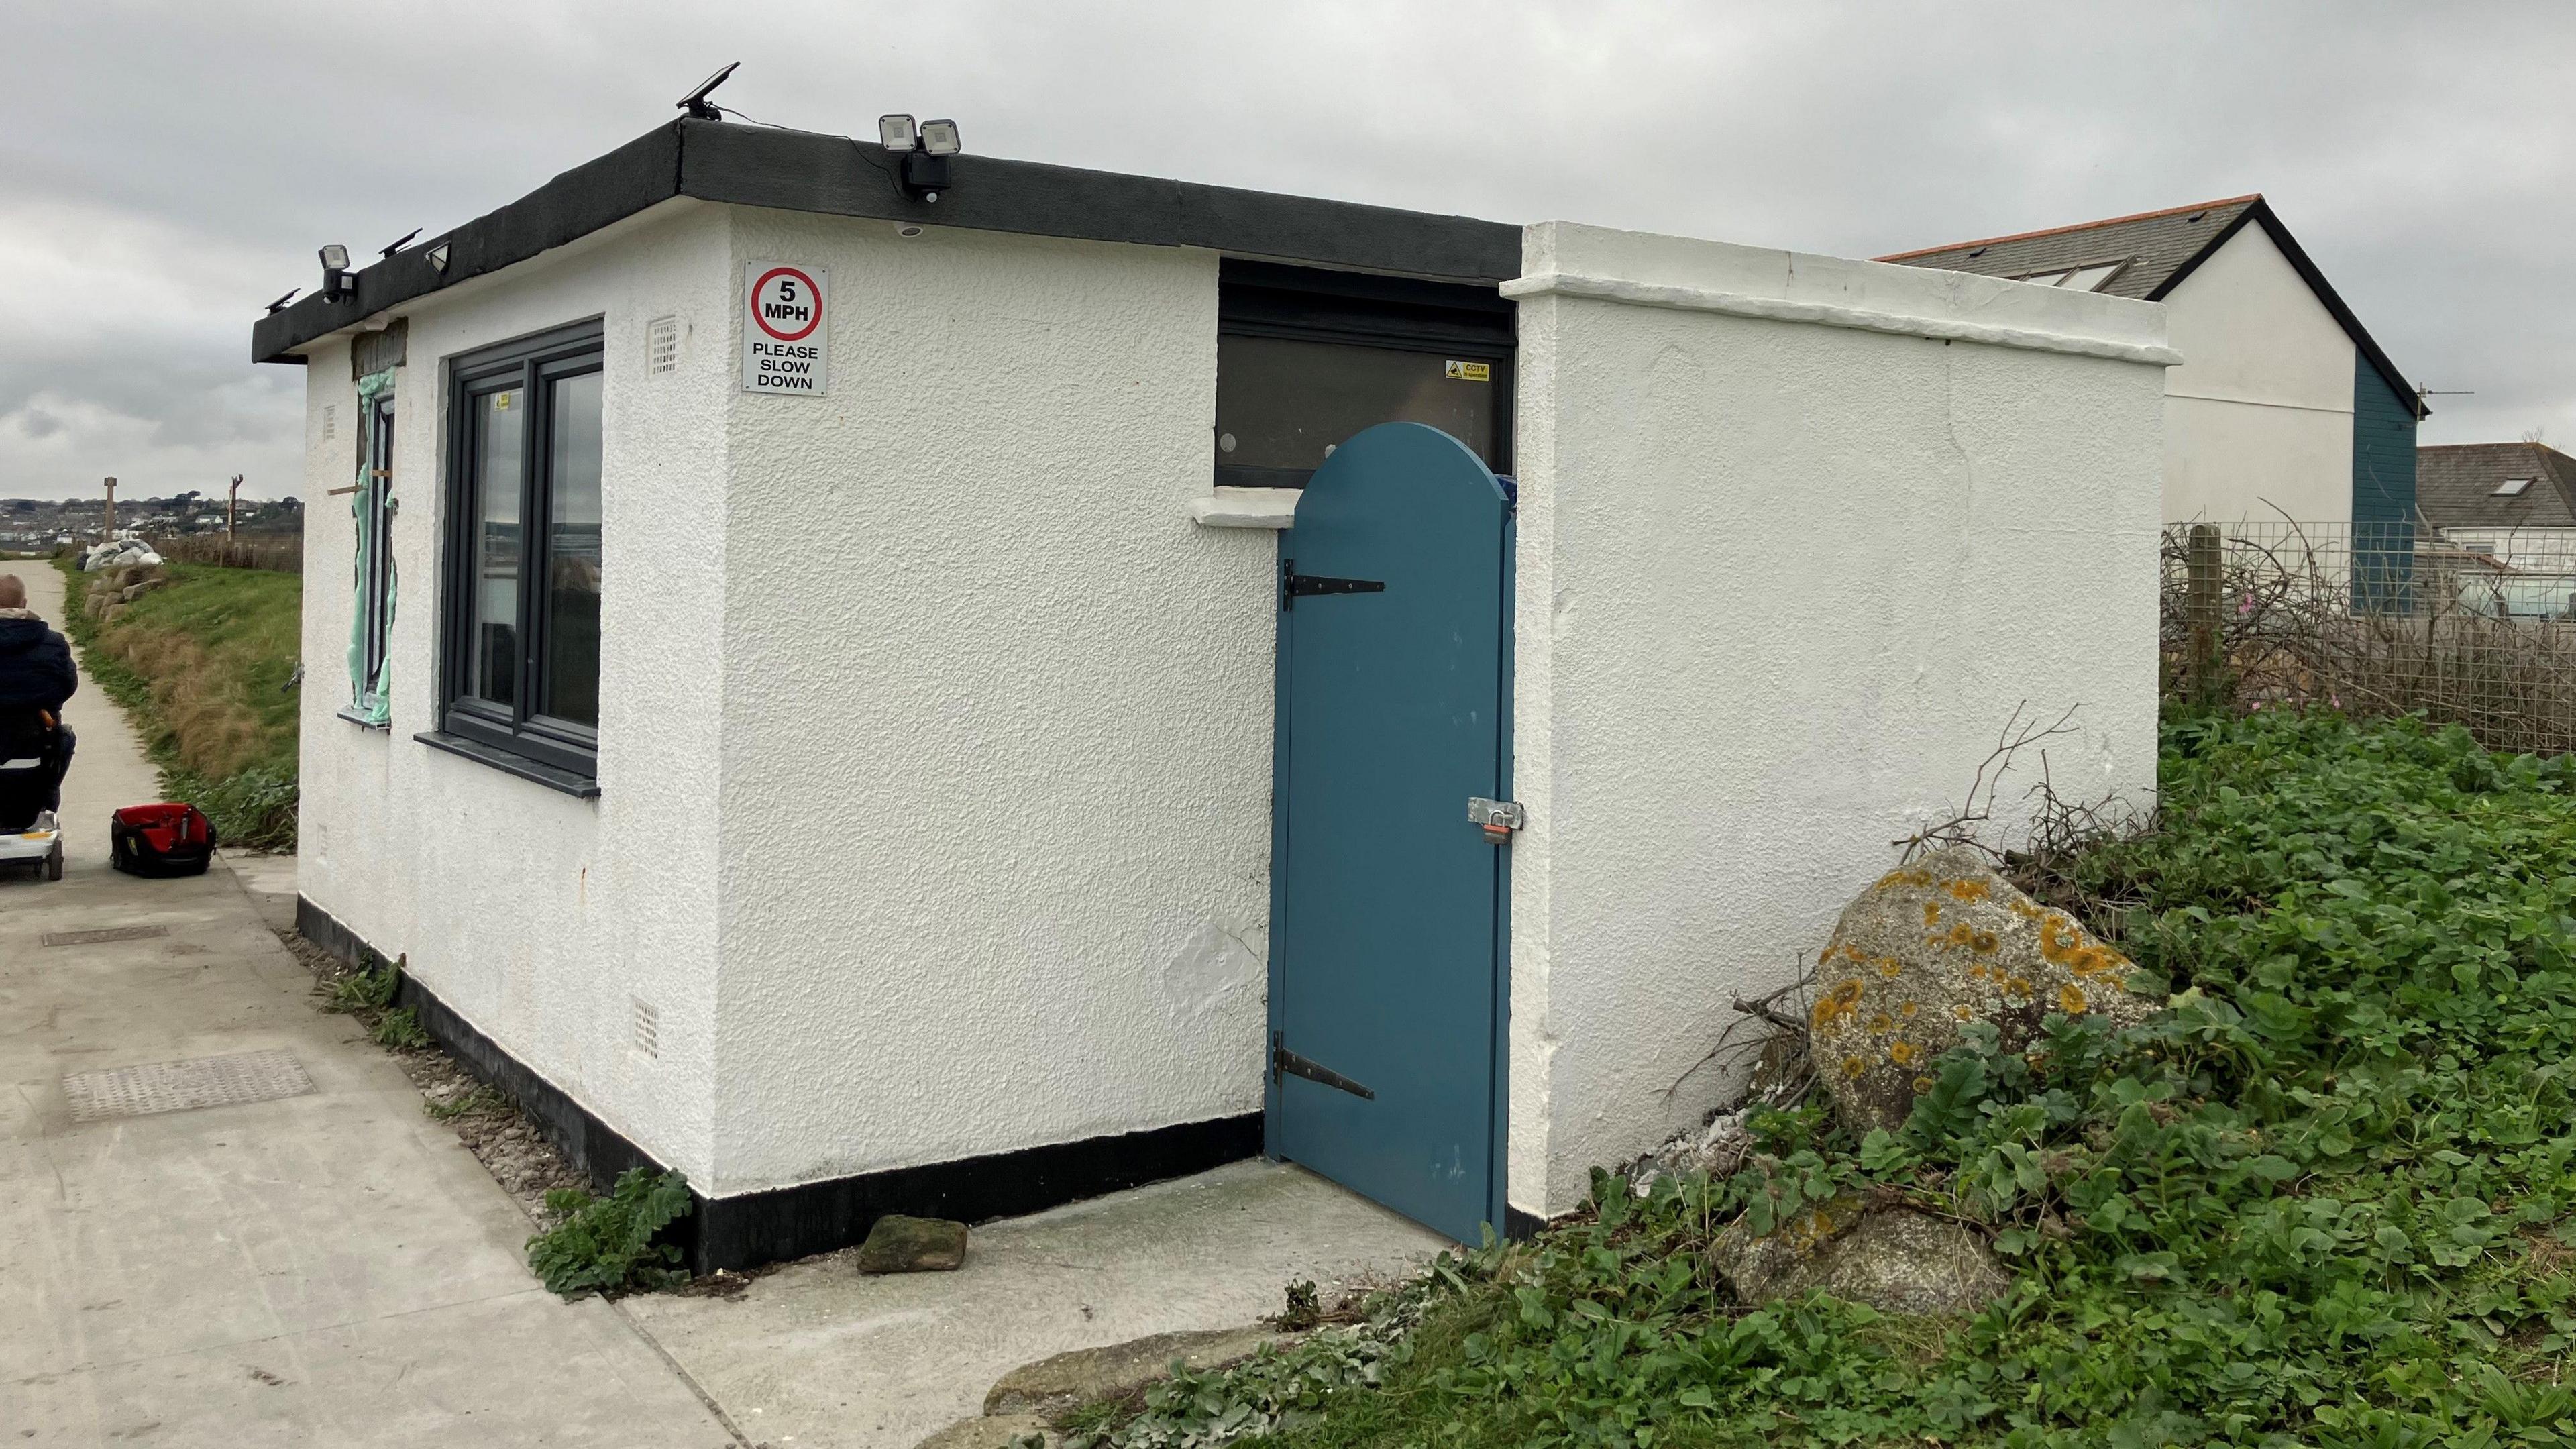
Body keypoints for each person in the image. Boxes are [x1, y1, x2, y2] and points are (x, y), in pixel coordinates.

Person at [0, 573, 77, 811]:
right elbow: (67, 687)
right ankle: (46, 805)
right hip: (35, 741)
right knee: (64, 737)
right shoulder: (53, 644)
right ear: (24, 604)